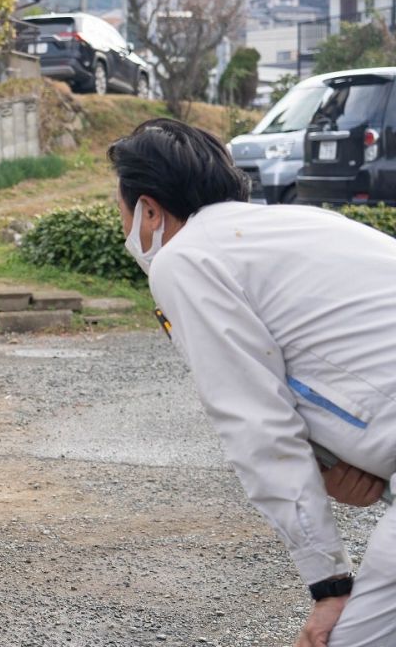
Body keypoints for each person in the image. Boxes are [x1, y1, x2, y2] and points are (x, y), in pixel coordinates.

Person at [108, 118, 396, 647]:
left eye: (122, 210)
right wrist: (338, 461)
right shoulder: (292, 226)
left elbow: (257, 425)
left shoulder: (186, 258)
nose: (122, 222)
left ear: (148, 209)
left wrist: (329, 584)